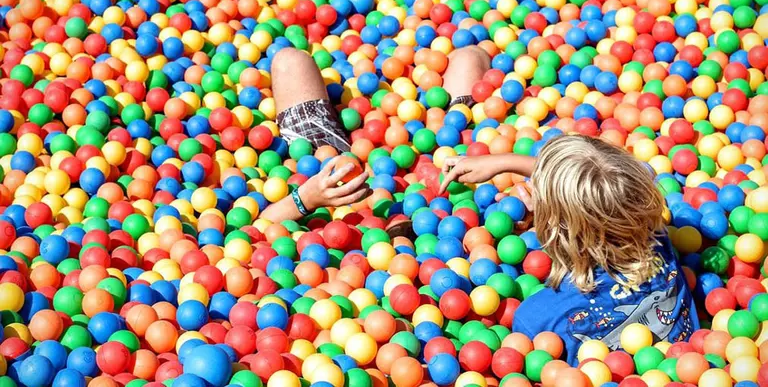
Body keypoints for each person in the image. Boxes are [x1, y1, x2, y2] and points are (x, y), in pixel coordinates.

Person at [439, 135, 698, 365]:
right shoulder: (656, 235)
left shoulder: (538, 318)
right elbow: (610, 182)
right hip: (688, 363)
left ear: (555, 233)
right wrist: (504, 162)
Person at [257, 45, 491, 223]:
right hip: (445, 163)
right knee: (471, 55)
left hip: (329, 173)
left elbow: (256, 229)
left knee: (289, 60)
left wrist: (307, 195)